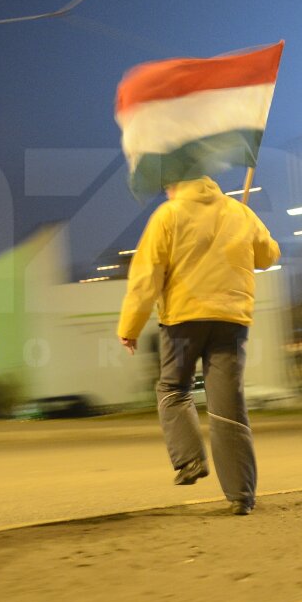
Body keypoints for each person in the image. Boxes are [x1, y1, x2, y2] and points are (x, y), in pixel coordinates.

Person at [117, 176, 280, 515]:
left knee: (173, 389)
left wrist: (130, 326)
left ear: (176, 185)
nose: (166, 192)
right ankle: (241, 496)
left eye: (167, 186)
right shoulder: (239, 212)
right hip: (231, 322)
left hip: (183, 321)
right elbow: (267, 256)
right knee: (228, 408)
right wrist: (243, 228)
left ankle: (190, 461)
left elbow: (147, 276)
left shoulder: (168, 215)